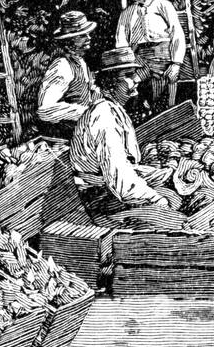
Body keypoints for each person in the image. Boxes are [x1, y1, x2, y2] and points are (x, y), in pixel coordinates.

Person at [70, 47, 186, 231]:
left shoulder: (113, 109)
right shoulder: (103, 116)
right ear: (109, 83)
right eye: (128, 76)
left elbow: (123, 167)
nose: (135, 81)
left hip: (109, 194)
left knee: (176, 199)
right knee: (174, 220)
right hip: (99, 203)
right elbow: (120, 180)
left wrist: (155, 175)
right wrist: (156, 199)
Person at [115, 0, 187, 120]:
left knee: (162, 103)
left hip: (163, 60)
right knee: (128, 88)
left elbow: (177, 35)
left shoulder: (162, 5)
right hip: (139, 62)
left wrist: (176, 64)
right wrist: (128, 71)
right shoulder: (127, 14)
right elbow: (121, 44)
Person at [37, 11, 98, 141]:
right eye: (82, 35)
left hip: (84, 134)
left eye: (87, 33)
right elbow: (45, 110)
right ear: (70, 40)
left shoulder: (81, 63)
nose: (89, 38)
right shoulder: (62, 66)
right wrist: (83, 112)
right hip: (66, 139)